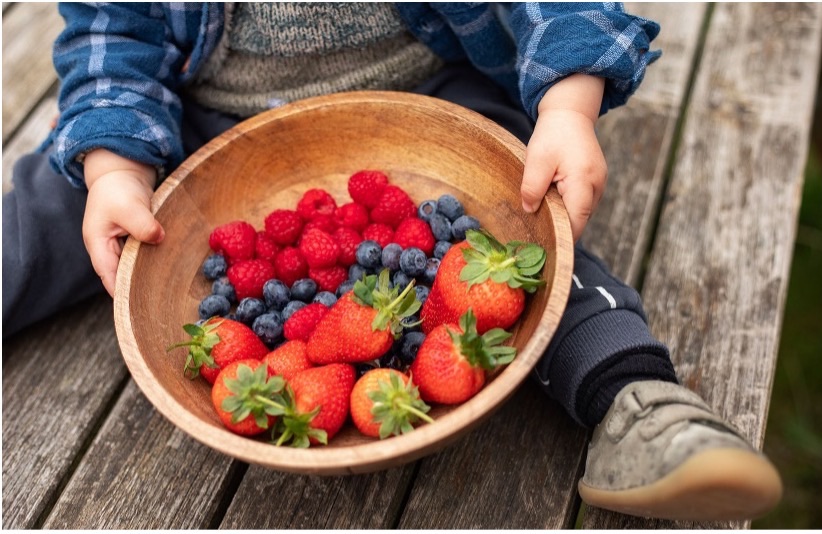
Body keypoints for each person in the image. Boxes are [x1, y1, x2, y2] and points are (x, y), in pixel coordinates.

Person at [2, 2, 782, 521]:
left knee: (522, 245)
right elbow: (111, 36)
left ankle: (638, 406)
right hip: (201, 128)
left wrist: (566, 107)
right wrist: (113, 167)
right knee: (58, 208)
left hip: (427, 120)